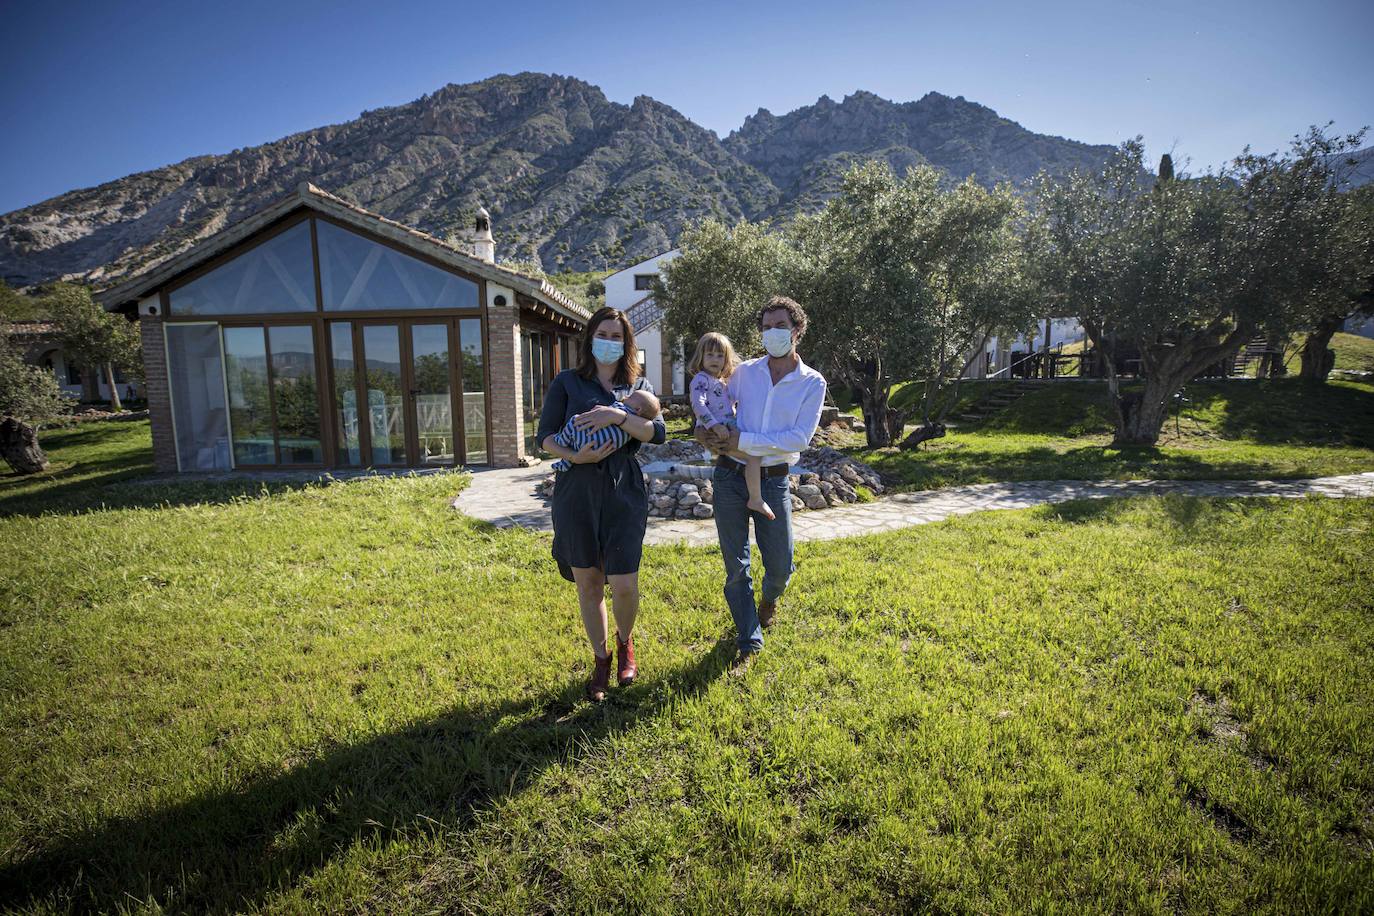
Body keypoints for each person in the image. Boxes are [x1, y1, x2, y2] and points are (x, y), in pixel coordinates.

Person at [537, 307, 667, 701]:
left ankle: (626, 642)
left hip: (623, 489)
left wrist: (618, 415)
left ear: (626, 343)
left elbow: (656, 432)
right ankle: (601, 659)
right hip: (577, 489)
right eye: (603, 333)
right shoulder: (567, 383)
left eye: (617, 336)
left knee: (625, 583)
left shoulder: (637, 385)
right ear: (590, 338)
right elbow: (544, 438)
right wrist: (576, 457)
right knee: (589, 583)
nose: (609, 342)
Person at [696, 296, 826, 665]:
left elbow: (799, 438)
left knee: (781, 567)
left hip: (774, 481)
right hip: (729, 476)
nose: (772, 333)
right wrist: (706, 429)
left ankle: (770, 599)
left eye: (780, 326)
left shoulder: (812, 383)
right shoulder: (743, 373)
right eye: (766, 327)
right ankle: (749, 640)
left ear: (797, 330)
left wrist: (744, 441)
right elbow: (718, 407)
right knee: (736, 566)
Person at [687, 333, 773, 521]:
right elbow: (698, 404)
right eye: (710, 354)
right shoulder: (701, 379)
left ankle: (751, 494)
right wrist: (714, 426)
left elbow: (727, 402)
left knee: (752, 455)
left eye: (720, 355)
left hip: (727, 424)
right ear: (701, 357)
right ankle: (756, 499)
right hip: (717, 426)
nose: (715, 359)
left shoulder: (721, 381)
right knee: (754, 455)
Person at [547, 388, 661, 473]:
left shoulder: (622, 406)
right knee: (574, 445)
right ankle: (567, 460)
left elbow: (659, 433)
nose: (626, 397)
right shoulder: (566, 380)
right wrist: (574, 457)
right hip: (597, 448)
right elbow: (544, 434)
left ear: (638, 409)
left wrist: (616, 415)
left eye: (630, 397)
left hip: (588, 440)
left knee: (574, 420)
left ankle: (561, 441)